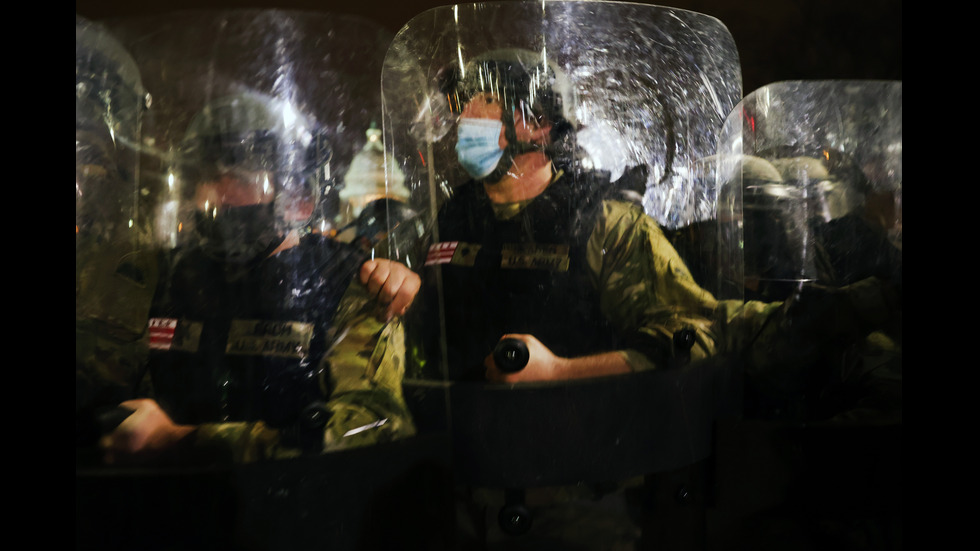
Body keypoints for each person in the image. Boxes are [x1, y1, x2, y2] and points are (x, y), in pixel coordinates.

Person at [97, 92, 422, 465]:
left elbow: (374, 426)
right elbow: (108, 378)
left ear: (297, 197)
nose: (209, 198)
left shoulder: (346, 283)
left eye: (236, 178)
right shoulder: (172, 276)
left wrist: (182, 440)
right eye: (204, 178)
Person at [421, 49, 732, 384]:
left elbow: (696, 332)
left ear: (539, 124)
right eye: (465, 102)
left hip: (571, 414)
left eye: (486, 99)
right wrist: (401, 288)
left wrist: (561, 372)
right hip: (452, 415)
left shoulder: (603, 223)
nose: (465, 114)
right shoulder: (453, 215)